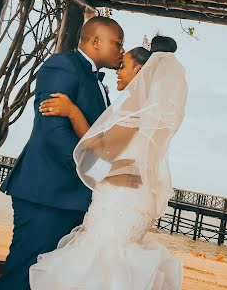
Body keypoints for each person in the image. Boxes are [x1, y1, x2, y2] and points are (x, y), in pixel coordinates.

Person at [29, 35, 188, 290]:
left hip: (121, 197)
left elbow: (99, 148)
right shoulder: (155, 111)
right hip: (138, 194)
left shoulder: (136, 107)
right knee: (116, 263)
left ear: (140, 70)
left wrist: (72, 111)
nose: (118, 71)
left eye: (124, 65)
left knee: (101, 263)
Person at [0, 16, 125, 290]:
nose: (122, 50)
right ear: (96, 41)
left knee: (49, 279)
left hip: (72, 198)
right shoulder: (62, 65)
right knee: (24, 274)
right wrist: (98, 172)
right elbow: (54, 133)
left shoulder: (98, 82)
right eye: (117, 43)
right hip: (47, 193)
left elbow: (96, 137)